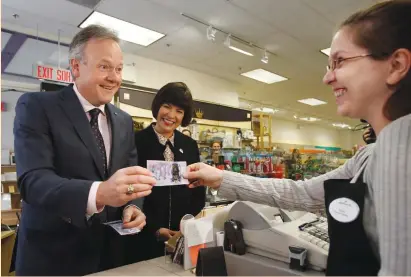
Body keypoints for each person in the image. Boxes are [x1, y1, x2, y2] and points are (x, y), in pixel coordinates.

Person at [185, 1, 411, 276]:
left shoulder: (401, 149)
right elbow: (302, 194)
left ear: (396, 65)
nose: (328, 77)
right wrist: (221, 178)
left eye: (339, 61)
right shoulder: (368, 158)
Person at [13, 25, 156, 275]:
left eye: (119, 68)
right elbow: (33, 182)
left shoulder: (123, 120)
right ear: (76, 67)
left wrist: (133, 206)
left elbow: (130, 176)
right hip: (53, 257)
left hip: (109, 255)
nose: (114, 77)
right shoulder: (37, 107)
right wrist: (99, 193)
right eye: (104, 67)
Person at [132, 82, 205, 261]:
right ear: (157, 106)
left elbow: (198, 190)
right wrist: (154, 228)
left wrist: (185, 226)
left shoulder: (189, 145)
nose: (171, 115)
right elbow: (130, 191)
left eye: (179, 111)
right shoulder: (135, 142)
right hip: (143, 237)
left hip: (182, 238)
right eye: (167, 106)